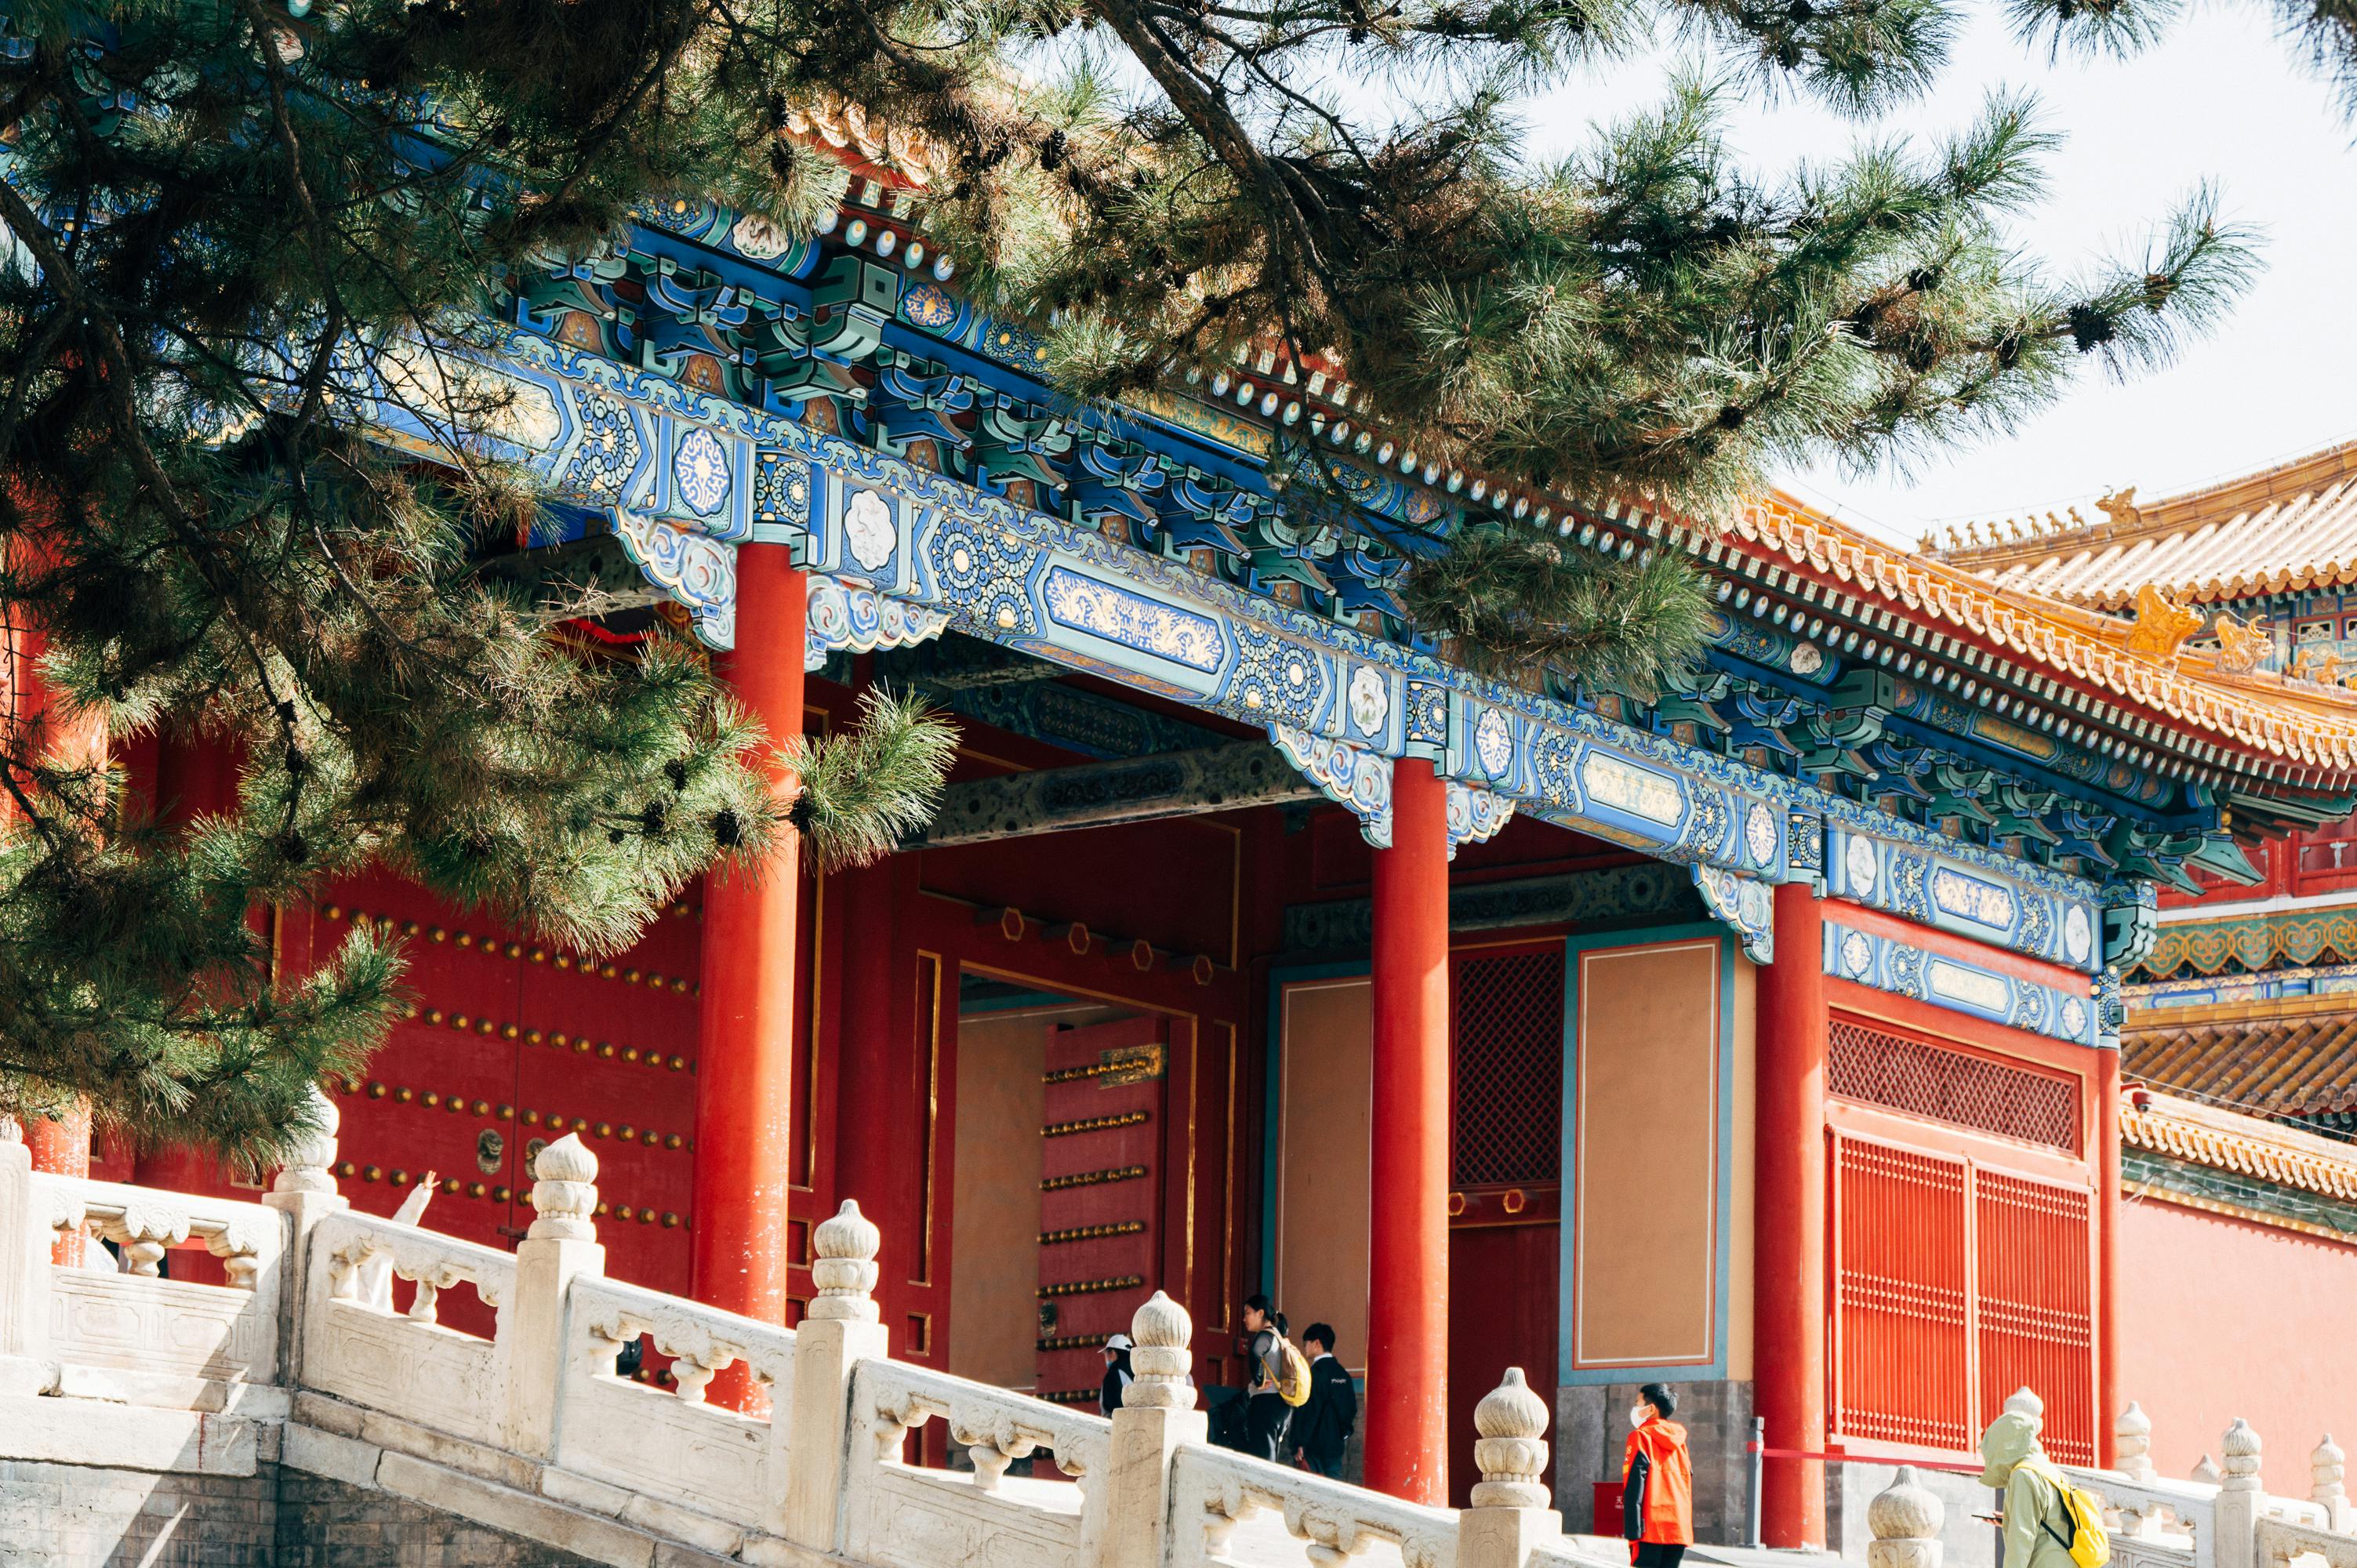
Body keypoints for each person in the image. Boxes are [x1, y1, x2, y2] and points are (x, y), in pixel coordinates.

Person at [1980, 1408, 2077, 1568]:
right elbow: (2051, 1519)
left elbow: (2022, 1537)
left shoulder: (2024, 1474)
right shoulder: (2047, 1469)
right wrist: (2010, 1519)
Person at [1622, 1383, 1694, 1568]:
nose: (1635, 1407)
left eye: (1638, 1402)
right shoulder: (1680, 1442)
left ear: (1651, 1409)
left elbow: (1634, 1484)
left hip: (1650, 1528)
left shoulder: (1640, 1437)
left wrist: (1633, 1531)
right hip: (1678, 1529)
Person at [1290, 1323, 1356, 1478]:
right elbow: (1351, 1409)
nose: (1305, 1348)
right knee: (1333, 1487)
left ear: (1317, 1343)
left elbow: (1308, 1411)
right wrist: (1343, 1433)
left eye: (1306, 1343)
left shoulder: (1313, 1374)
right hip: (1335, 1444)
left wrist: (1298, 1442)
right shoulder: (1343, 1375)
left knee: (1310, 1489)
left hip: (1313, 1445)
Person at [1241, 1294, 1293, 1463]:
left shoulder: (1266, 1335)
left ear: (1260, 1313)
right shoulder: (1279, 1337)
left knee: (1263, 1461)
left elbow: (1255, 1353)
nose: (1244, 1319)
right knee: (1270, 1456)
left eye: (1248, 1313)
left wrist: (1258, 1380)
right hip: (1282, 1405)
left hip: (1266, 1404)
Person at [1100, 1332, 1135, 1416]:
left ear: (1113, 1353)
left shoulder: (1114, 1374)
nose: (1106, 1358)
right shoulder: (1139, 1371)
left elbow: (1112, 1406)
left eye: (1107, 1354)